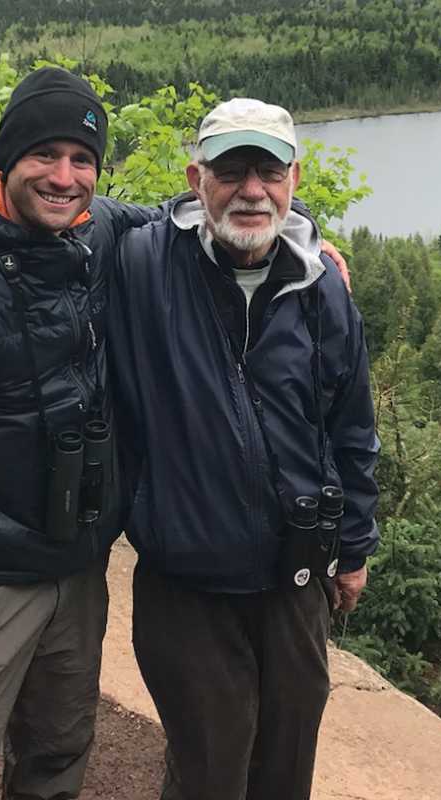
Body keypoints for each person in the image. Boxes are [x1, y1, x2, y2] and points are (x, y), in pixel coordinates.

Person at [0, 65, 350, 799]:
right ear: (5, 160)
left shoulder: (100, 233)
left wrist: (305, 237)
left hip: (76, 573)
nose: (63, 176)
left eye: (82, 160)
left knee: (55, 762)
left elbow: (209, 210)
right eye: (43, 156)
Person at [107, 98, 379, 800]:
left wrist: (354, 548)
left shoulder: (321, 286)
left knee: (287, 767)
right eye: (232, 171)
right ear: (197, 179)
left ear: (294, 177)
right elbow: (45, 194)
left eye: (268, 170)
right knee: (209, 771)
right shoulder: (140, 262)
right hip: (186, 579)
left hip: (294, 576)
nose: (252, 190)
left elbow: (350, 425)